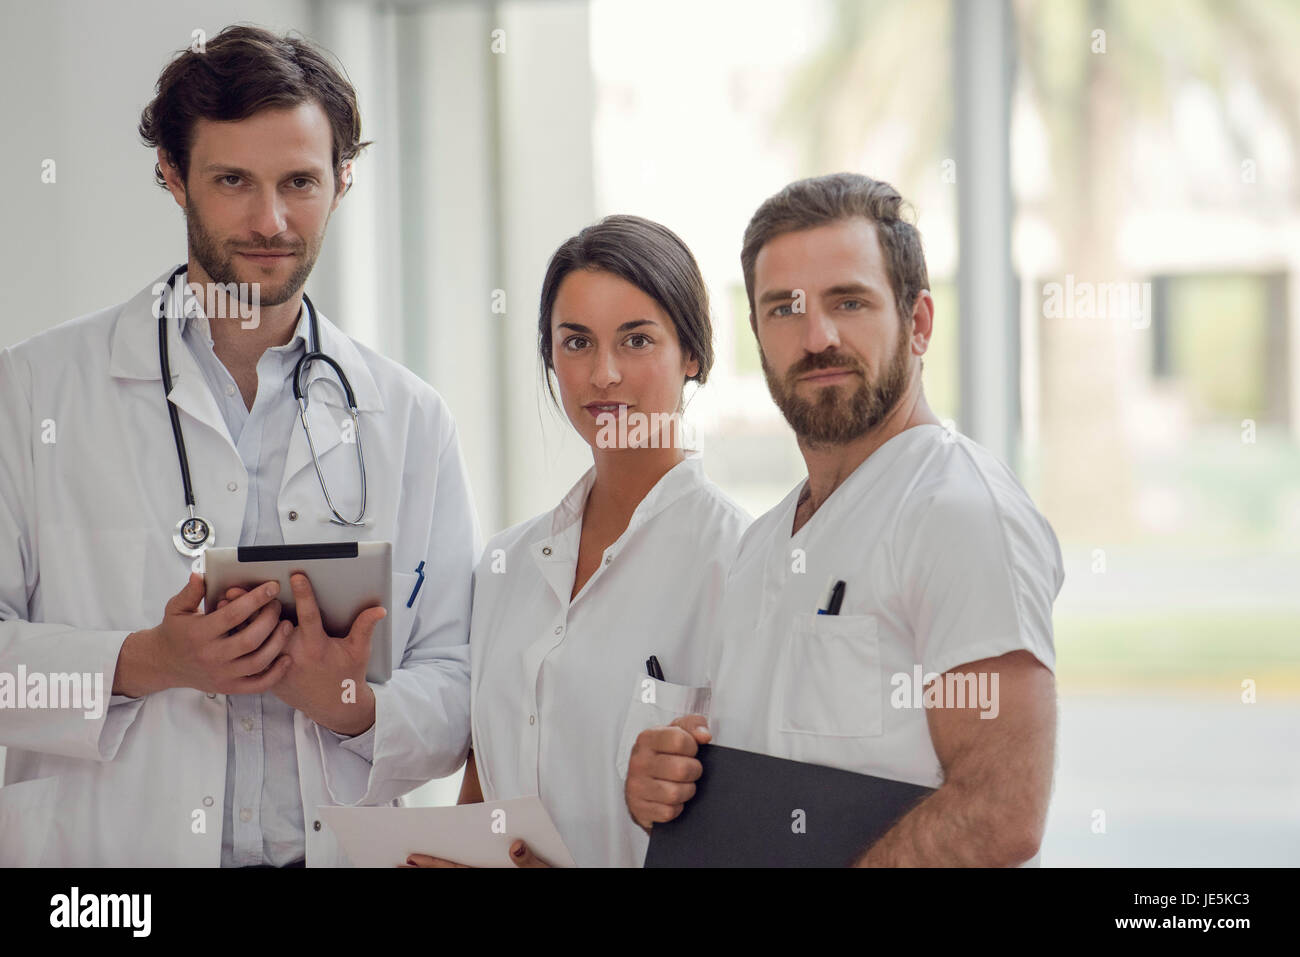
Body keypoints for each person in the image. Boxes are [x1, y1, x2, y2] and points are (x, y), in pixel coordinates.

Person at [0, 25, 480, 866]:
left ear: (342, 181)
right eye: (232, 181)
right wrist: (143, 660)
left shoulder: (410, 417)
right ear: (172, 175)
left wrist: (349, 703)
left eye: (300, 181)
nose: (270, 220)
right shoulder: (35, 390)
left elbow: (461, 678)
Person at [624, 173, 1063, 867]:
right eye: (784, 308)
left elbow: (1000, 811)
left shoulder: (960, 514)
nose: (817, 337)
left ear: (918, 323)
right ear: (757, 335)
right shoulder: (764, 541)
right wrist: (669, 777)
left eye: (849, 302)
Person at [406, 215, 750, 868]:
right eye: (576, 342)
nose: (603, 374)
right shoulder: (505, 565)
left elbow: (749, 836)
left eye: (637, 340)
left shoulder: (741, 565)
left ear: (693, 354)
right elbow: (481, 788)